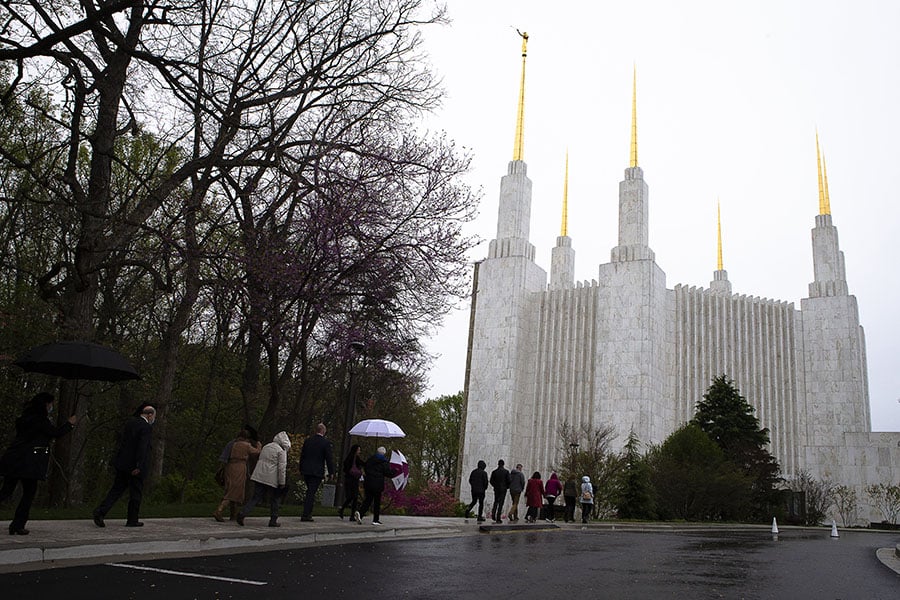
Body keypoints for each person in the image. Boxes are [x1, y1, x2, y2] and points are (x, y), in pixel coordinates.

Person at [0, 392, 76, 535]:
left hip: (13, 458)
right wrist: (69, 424)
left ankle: (17, 525)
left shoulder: (24, 418)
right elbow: (55, 433)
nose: (51, 406)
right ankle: (18, 524)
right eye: (50, 404)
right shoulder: (41, 420)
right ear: (45, 404)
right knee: (28, 494)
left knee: (6, 491)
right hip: (29, 463)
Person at [93, 403, 155, 528]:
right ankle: (132, 519)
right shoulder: (145, 427)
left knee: (116, 489)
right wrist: (139, 465)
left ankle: (101, 511)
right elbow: (142, 447)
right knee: (136, 493)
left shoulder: (130, 423)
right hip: (135, 466)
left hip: (123, 463)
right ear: (149, 415)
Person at [237, 431, 291, 527]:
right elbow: (281, 468)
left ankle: (243, 513)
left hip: (260, 475)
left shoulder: (266, 446)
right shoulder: (281, 451)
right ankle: (273, 520)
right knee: (275, 499)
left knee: (255, 497)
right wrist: (282, 482)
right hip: (271, 478)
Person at [214, 428, 261, 522]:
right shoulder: (246, 445)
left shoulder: (232, 444)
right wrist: (259, 445)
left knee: (231, 488)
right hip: (239, 467)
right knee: (234, 490)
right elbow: (256, 452)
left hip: (230, 467)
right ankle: (219, 510)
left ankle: (233, 514)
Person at [298, 423, 335, 522]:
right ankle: (306, 514)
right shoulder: (325, 443)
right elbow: (329, 458)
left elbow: (303, 456)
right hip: (316, 471)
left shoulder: (308, 441)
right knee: (311, 492)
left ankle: (307, 512)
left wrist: (301, 468)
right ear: (323, 431)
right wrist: (331, 472)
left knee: (309, 491)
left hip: (306, 470)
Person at [356, 446, 394, 525]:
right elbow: (388, 473)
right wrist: (394, 471)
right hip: (377, 484)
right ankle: (375, 520)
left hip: (368, 483)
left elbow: (365, 468)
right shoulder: (384, 462)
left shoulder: (370, 459)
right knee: (377, 502)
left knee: (368, 500)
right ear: (384, 453)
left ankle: (360, 513)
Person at [338, 444, 364, 521]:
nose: (360, 451)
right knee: (353, 497)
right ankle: (349, 513)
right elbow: (363, 463)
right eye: (359, 450)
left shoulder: (349, 458)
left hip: (350, 479)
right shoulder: (355, 458)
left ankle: (346, 512)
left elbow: (345, 468)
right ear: (356, 450)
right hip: (353, 479)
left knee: (352, 497)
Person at [489, 459, 511, 524]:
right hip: (503, 489)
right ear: (503, 464)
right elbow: (509, 481)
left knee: (496, 501)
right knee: (501, 503)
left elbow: (491, 481)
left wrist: (495, 486)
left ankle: (493, 514)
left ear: (498, 464)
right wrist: (507, 487)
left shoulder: (494, 472)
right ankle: (498, 517)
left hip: (497, 489)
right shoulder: (506, 472)